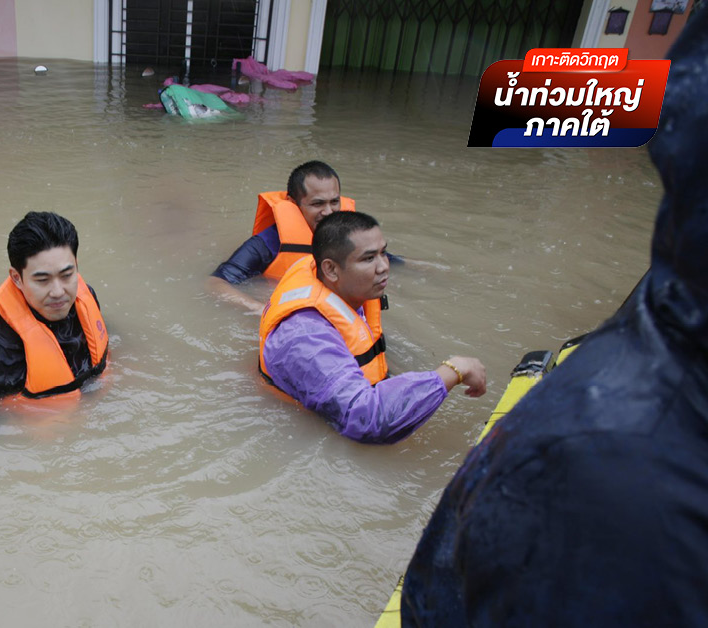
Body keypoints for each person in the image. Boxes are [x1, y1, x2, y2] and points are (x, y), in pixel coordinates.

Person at [402, 12, 708, 625]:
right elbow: (364, 416)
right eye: (320, 205)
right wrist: (448, 371)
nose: (383, 267)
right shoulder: (613, 470)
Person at [258, 211, 486, 443]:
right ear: (331, 269)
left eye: (383, 253)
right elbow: (367, 420)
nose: (384, 267)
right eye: (369, 259)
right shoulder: (306, 336)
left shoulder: (330, 278)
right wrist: (453, 370)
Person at [0, 212, 108, 407]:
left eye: (66, 275)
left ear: (76, 266)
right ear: (16, 278)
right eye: (42, 280)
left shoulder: (86, 298)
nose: (58, 292)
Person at [208, 160, 356, 313]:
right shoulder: (268, 243)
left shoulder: (356, 236)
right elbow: (215, 283)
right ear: (293, 203)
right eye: (317, 204)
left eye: (334, 202)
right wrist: (262, 310)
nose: (329, 212)